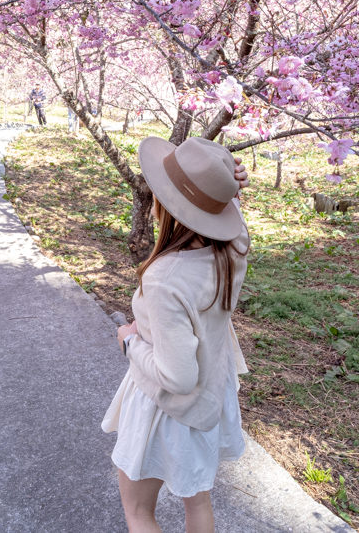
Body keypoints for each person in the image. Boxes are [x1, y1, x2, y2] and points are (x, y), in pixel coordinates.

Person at [101, 136, 251, 533]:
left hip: (165, 409)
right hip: (211, 396)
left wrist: (129, 340)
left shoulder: (166, 277)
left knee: (138, 511)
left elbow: (177, 376)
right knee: (197, 500)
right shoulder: (234, 247)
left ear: (166, 207)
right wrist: (228, 187)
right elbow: (227, 212)